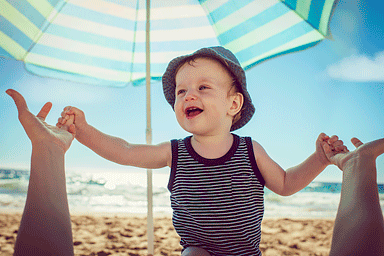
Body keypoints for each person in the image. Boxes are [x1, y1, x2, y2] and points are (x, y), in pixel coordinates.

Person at [6, 46, 384, 255]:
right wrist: (85, 132)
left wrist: (319, 159)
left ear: (234, 104)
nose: (188, 94)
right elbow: (124, 151)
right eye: (181, 90)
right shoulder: (175, 152)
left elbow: (285, 184)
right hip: (197, 249)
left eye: (204, 87)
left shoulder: (251, 150)